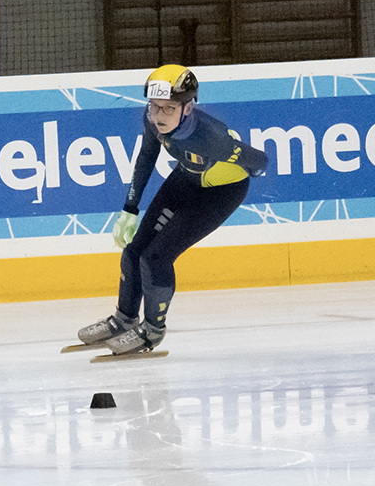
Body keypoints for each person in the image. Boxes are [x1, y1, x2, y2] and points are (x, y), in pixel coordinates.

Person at [74, 64, 268, 358]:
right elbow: (146, 156)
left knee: (156, 258)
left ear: (188, 108)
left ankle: (153, 329)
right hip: (187, 178)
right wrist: (130, 208)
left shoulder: (210, 137)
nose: (159, 116)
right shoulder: (152, 120)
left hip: (221, 193)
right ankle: (124, 319)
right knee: (134, 251)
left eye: (169, 108)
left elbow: (260, 160)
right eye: (154, 106)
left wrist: (252, 169)